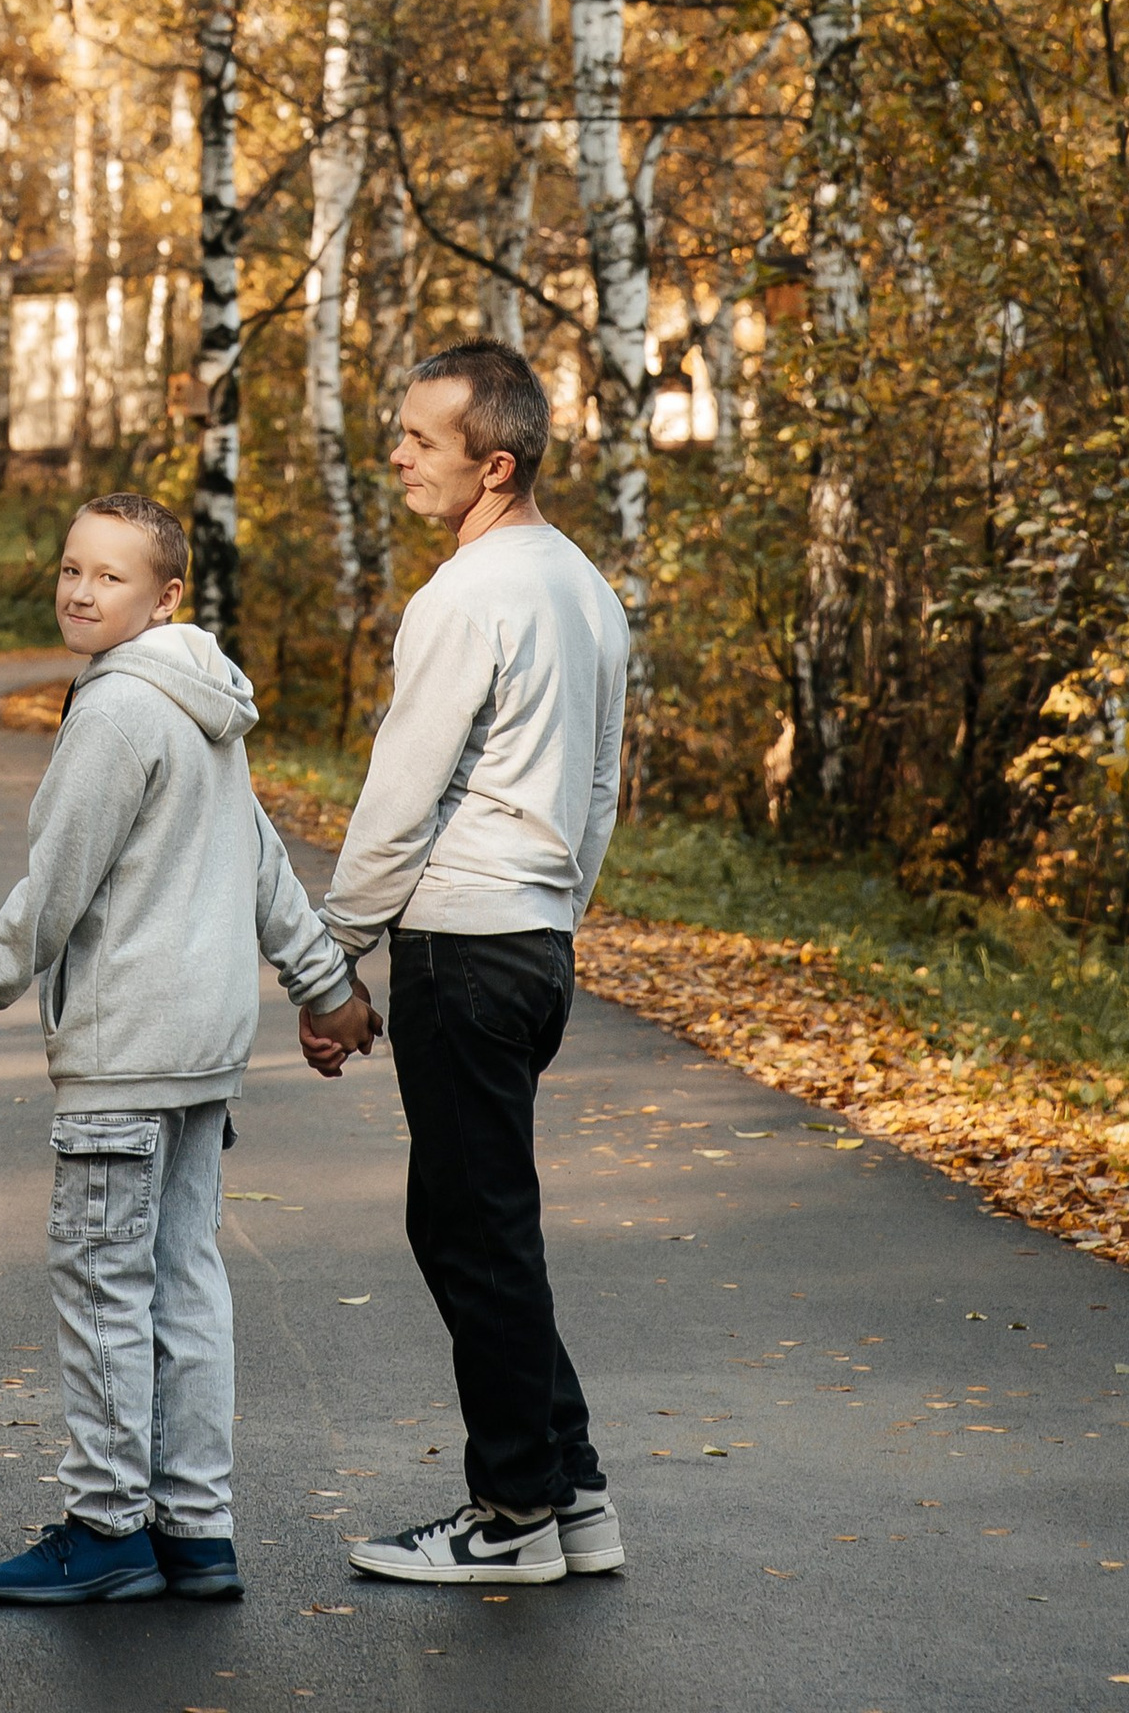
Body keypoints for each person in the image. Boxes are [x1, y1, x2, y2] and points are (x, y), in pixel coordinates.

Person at [0, 493, 374, 1608]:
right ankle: (195, 1530)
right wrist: (327, 988)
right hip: (199, 1056)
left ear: (164, 597)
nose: (79, 591)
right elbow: (263, 868)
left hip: (126, 1053)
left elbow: (50, 897)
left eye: (109, 576)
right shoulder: (207, 704)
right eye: (70, 568)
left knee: (106, 1286)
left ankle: (108, 1526)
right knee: (184, 1282)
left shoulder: (115, 712)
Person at [305, 339, 631, 1594]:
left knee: (473, 1232)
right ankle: (571, 1490)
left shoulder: (464, 596)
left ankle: (510, 1515)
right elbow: (598, 786)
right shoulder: (586, 590)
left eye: (418, 439)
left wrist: (331, 961)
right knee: (477, 1223)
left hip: (464, 944)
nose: (394, 454)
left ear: (493, 464)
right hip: (534, 941)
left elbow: (400, 795)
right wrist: (558, 908)